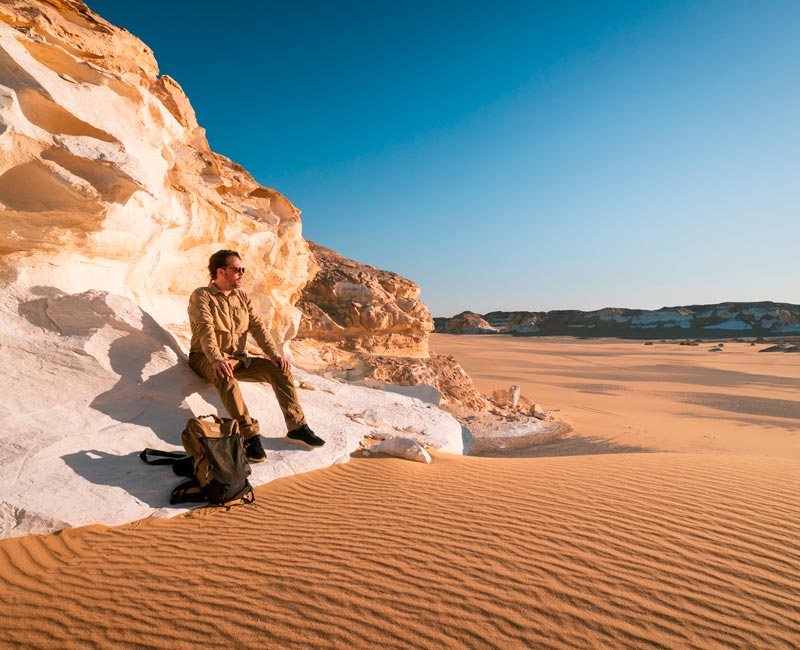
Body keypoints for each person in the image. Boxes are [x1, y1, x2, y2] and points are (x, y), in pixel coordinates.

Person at [188, 249, 325, 462]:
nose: (242, 273)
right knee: (226, 377)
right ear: (221, 271)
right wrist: (216, 359)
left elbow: (258, 327)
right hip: (205, 358)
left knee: (279, 370)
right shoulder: (202, 296)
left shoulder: (241, 297)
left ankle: (297, 428)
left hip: (239, 358)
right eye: (237, 269)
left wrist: (274, 355)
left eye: (243, 269)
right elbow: (205, 329)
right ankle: (248, 435)